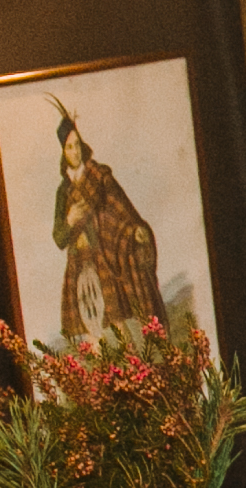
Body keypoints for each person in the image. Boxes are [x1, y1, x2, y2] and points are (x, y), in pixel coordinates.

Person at [50, 104, 166, 337]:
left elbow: (122, 210)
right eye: (69, 147)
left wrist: (134, 231)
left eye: (77, 145)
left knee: (119, 326)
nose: (75, 152)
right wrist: (70, 220)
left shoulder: (100, 176)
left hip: (105, 258)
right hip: (78, 266)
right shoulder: (63, 191)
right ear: (63, 152)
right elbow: (59, 238)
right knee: (91, 335)